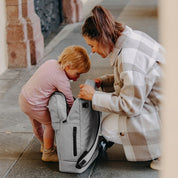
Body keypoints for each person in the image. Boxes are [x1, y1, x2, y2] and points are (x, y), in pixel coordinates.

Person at [78, 5, 165, 171]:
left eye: (92, 45)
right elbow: (137, 79)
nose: (93, 51)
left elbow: (130, 106)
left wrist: (94, 96)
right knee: (111, 115)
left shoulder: (128, 58)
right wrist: (104, 82)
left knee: (107, 128)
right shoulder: (132, 37)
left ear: (102, 38)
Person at [19, 45, 90, 162]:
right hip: (34, 104)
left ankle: (44, 145)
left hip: (24, 98)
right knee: (50, 125)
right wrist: (76, 113)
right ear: (68, 66)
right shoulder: (62, 80)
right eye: (78, 73)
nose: (78, 77)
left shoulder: (51, 62)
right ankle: (48, 153)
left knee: (37, 125)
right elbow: (69, 101)